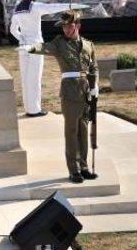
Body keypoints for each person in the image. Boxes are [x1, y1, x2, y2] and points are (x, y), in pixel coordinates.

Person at [22, 11, 98, 183]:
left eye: (69, 26)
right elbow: (45, 47)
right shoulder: (59, 43)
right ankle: (73, 170)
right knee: (71, 132)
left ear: (78, 26)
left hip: (85, 91)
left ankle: (84, 166)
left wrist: (95, 88)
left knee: (84, 131)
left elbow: (94, 68)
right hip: (70, 92)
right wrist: (30, 48)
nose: (66, 30)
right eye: (64, 26)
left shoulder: (88, 45)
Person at [10, 0, 88, 117]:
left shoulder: (17, 8)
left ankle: (29, 108)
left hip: (23, 46)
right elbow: (54, 7)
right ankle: (34, 110)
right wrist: (72, 6)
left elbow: (12, 29)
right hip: (36, 46)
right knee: (34, 78)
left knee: (25, 79)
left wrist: (21, 38)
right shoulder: (35, 7)